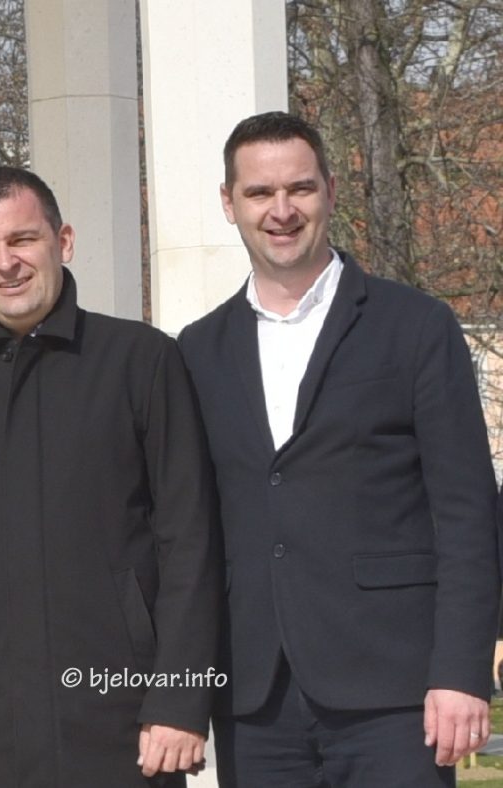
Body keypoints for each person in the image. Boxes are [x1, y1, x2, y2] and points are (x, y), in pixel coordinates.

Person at [0, 166, 223, 787]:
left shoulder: (142, 360)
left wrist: (180, 698)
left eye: (22, 239)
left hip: (121, 714)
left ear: (64, 241)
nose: (4, 262)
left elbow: (191, 539)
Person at [177, 112, 501, 786]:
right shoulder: (197, 350)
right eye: (260, 193)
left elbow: (469, 510)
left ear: (329, 189)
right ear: (229, 203)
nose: (281, 210)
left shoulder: (416, 325)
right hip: (254, 696)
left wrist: (462, 671)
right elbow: (189, 528)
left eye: (299, 188)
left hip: (396, 692)